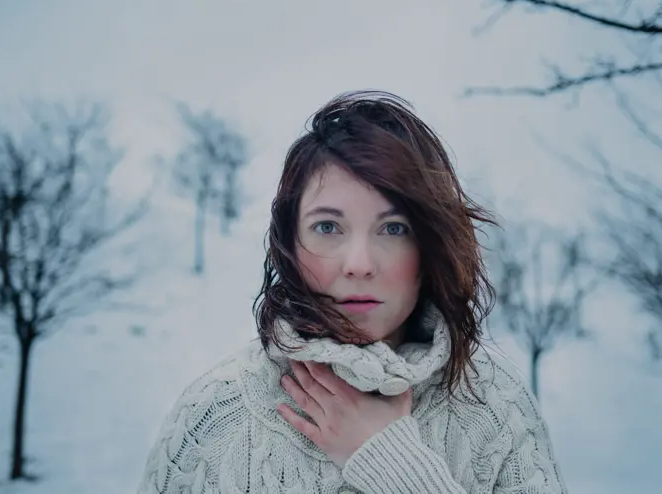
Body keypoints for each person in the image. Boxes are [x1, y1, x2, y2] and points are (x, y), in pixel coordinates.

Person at [137, 91, 567, 493]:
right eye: (328, 227)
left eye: (393, 228)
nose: (359, 264)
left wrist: (398, 470)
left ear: (431, 244)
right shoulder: (214, 414)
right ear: (290, 243)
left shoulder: (496, 407)